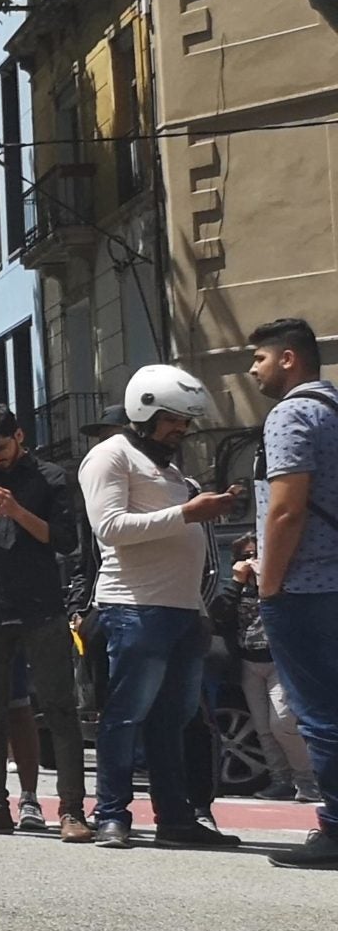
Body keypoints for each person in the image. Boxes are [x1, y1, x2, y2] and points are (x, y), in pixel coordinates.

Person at [78, 366, 244, 849]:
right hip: (134, 608)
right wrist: (189, 512)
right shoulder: (109, 456)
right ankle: (111, 815)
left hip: (182, 611)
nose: (182, 430)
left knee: (172, 721)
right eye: (173, 419)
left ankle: (175, 818)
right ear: (143, 410)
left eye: (186, 422)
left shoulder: (171, 470)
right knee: (125, 718)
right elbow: (110, 528)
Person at [0, 403, 89, 840]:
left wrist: (17, 512)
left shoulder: (51, 479)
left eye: (2, 448)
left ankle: (71, 810)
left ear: (20, 436)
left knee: (60, 709)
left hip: (41, 607)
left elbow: (65, 540)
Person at [247, 316, 338, 869]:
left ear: (288, 359)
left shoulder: (290, 414)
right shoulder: (333, 410)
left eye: (258, 357)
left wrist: (268, 582)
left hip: (305, 587)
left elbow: (286, 508)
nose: (252, 368)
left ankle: (333, 828)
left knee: (320, 712)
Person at [217, 536, 316, 803]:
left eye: (256, 554)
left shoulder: (280, 584)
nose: (251, 561)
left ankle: (307, 780)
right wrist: (237, 582)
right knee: (262, 726)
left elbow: (292, 615)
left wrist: (265, 580)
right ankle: (280, 779)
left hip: (278, 661)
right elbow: (220, 614)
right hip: (249, 663)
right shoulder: (234, 588)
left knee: (282, 722)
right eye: (245, 556)